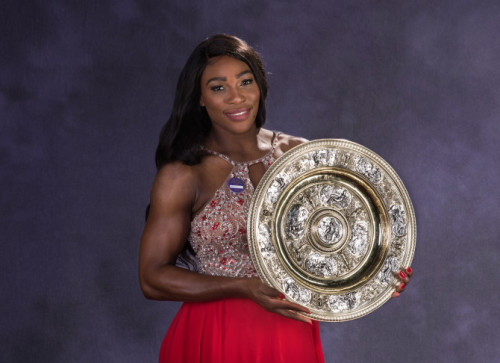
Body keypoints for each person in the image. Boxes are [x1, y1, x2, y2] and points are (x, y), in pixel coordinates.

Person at [139, 34, 412, 363]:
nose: (237, 98)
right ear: (200, 97)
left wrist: (381, 274)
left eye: (245, 81)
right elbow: (152, 279)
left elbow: (341, 234)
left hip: (290, 335)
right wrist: (243, 286)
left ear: (260, 85)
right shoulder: (184, 174)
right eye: (218, 87)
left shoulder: (300, 155)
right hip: (217, 335)